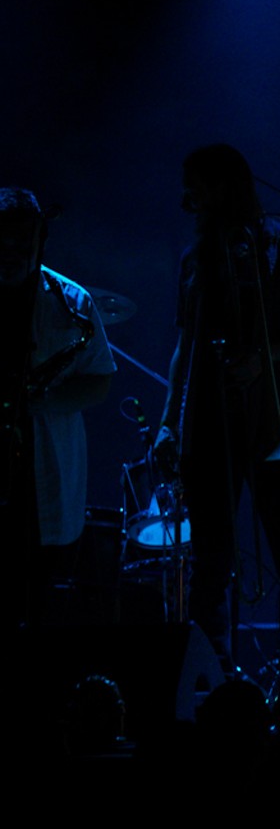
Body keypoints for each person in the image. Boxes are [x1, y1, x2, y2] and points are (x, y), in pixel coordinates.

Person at [153, 145, 280, 669]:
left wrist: (266, 357)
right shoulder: (195, 260)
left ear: (224, 188)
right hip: (208, 428)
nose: (189, 201)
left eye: (197, 189)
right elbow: (185, 348)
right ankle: (206, 687)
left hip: (276, 424)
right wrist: (168, 425)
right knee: (209, 566)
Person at [1, 187, 115, 626]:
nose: (10, 254)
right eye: (2, 244)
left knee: (40, 605)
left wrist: (45, 400)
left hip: (42, 478)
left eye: (20, 245)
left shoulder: (72, 302)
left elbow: (100, 381)